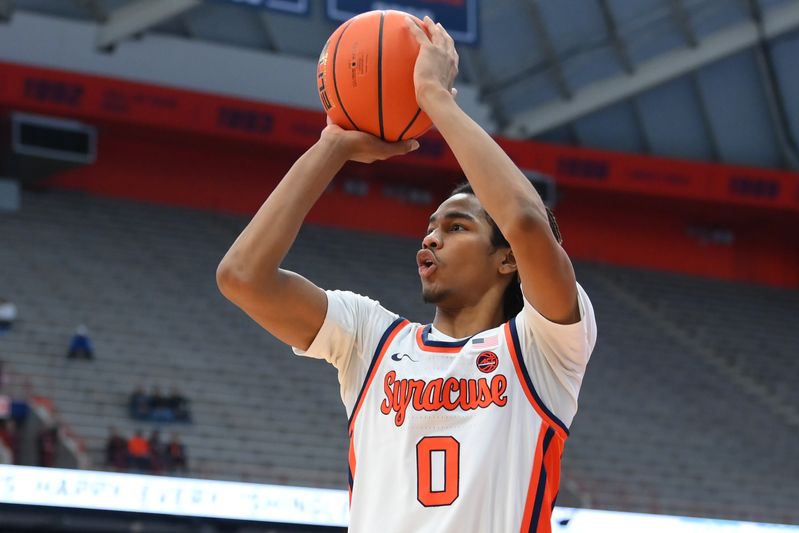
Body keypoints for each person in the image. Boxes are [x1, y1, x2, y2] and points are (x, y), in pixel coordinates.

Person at [217, 16, 597, 533]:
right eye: (430, 225)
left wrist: (436, 99)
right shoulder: (370, 338)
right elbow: (241, 277)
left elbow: (527, 222)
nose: (431, 237)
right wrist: (331, 146)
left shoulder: (544, 348)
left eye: (457, 226)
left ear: (508, 259)